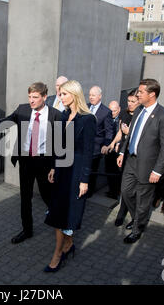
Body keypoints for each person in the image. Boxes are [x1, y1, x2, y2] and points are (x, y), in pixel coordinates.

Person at [0, 82, 63, 244]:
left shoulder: (55, 115)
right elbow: (6, 121)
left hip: (44, 162)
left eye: (35, 97)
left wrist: (54, 166)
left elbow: (59, 144)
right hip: (26, 161)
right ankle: (27, 230)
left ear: (44, 97)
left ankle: (63, 225)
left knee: (48, 196)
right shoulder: (23, 109)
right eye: (29, 97)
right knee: (25, 197)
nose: (31, 100)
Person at [44, 80, 96, 272]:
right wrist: (53, 168)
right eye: (60, 93)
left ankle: (57, 255)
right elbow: (58, 147)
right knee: (59, 211)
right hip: (61, 171)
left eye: (64, 94)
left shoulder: (88, 119)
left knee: (64, 215)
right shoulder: (64, 115)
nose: (61, 97)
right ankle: (68, 244)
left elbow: (88, 152)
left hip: (75, 174)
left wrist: (84, 179)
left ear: (74, 94)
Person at [117, 79, 164, 244]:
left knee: (143, 200)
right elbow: (131, 134)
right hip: (131, 161)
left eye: (141, 92)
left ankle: (137, 229)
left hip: (148, 166)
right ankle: (137, 219)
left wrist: (158, 170)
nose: (137, 94)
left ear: (152, 94)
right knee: (126, 192)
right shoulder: (139, 110)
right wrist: (122, 152)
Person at [109, 90, 140, 227]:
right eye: (128, 101)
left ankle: (128, 213)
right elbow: (120, 133)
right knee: (124, 185)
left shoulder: (141, 115)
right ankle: (123, 210)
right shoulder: (124, 114)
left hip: (135, 155)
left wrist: (130, 132)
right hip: (122, 153)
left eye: (133, 101)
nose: (130, 104)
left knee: (132, 188)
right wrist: (111, 144)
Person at [86, 86, 114, 197]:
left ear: (100, 96)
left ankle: (89, 193)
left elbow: (109, 131)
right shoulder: (85, 107)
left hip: (96, 148)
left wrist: (106, 144)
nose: (91, 97)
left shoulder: (106, 112)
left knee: (92, 172)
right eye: (89, 95)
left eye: (93, 95)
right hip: (83, 145)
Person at [103, 100, 121, 199]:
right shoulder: (107, 118)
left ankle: (116, 192)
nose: (112, 113)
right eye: (110, 111)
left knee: (116, 172)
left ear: (119, 109)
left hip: (118, 151)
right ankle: (112, 190)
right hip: (108, 150)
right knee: (108, 170)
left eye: (114, 111)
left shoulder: (121, 119)